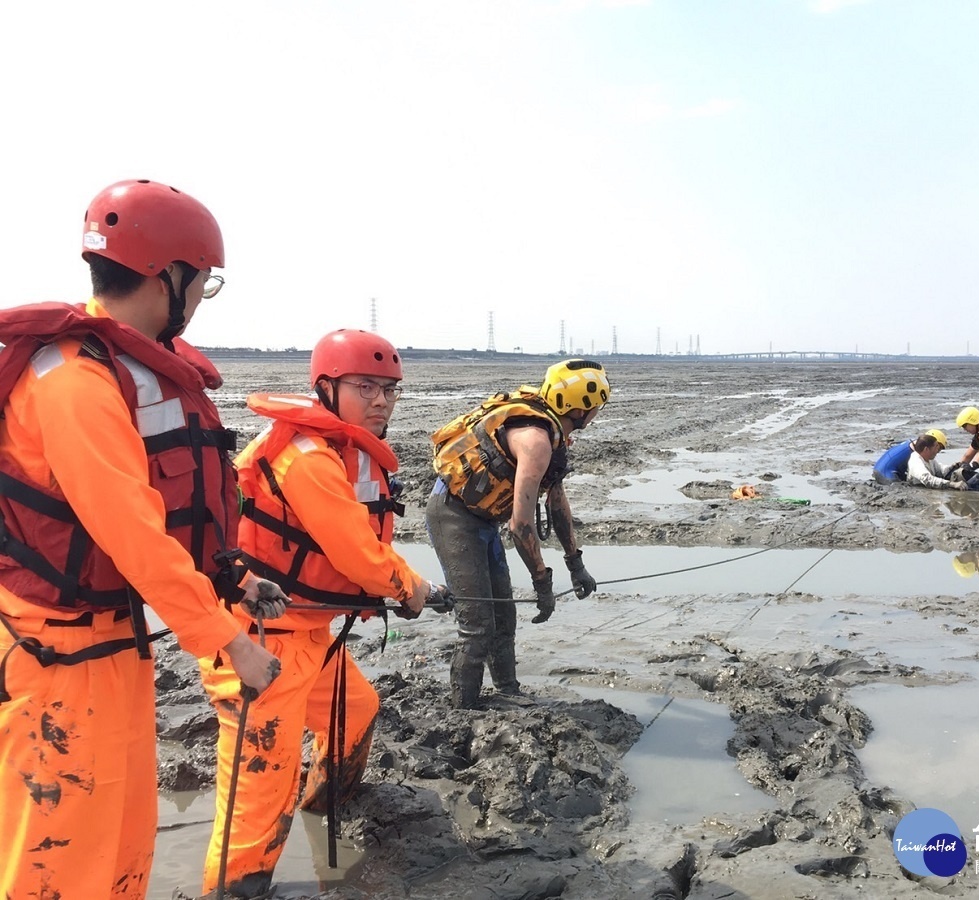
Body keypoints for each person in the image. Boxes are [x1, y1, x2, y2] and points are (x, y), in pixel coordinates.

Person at [0, 179, 282, 900]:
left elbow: (166, 518)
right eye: (202, 283)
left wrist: (237, 580)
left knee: (123, 848)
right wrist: (232, 641)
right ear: (169, 277)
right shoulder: (73, 380)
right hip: (56, 662)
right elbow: (132, 533)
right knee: (59, 865)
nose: (198, 300)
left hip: (111, 646)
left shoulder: (119, 370)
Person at [198, 329, 452, 897]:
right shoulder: (307, 457)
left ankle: (323, 806)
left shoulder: (344, 452)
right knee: (259, 796)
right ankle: (236, 888)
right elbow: (358, 555)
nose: (381, 400)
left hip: (307, 634)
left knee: (355, 711)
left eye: (390, 389)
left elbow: (365, 548)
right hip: (258, 638)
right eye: (366, 387)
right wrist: (411, 588)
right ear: (325, 388)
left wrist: (421, 587)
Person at [426, 359, 610, 710]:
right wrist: (542, 583)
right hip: (452, 514)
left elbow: (557, 503)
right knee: (477, 623)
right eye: (596, 408)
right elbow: (521, 526)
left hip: (483, 520)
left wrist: (576, 564)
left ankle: (508, 692)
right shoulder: (536, 441)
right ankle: (462, 710)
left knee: (504, 617)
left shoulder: (553, 432)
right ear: (583, 408)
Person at [873, 428, 948, 483]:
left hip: (881, 467)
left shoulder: (915, 445)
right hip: (885, 472)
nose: (937, 451)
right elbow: (925, 476)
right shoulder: (915, 455)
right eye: (937, 448)